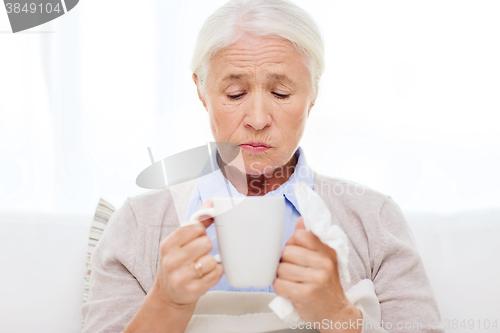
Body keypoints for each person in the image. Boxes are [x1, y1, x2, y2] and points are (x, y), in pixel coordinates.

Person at [81, 0, 443, 332]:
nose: (257, 118)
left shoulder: (373, 220)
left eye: (281, 93)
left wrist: (339, 315)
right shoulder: (137, 226)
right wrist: (165, 303)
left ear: (313, 94)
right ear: (201, 91)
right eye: (235, 94)